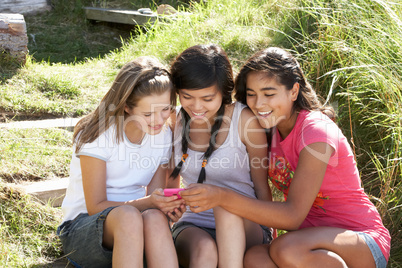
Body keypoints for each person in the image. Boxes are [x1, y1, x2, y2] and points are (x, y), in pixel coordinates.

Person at [179, 47, 391, 268]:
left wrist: (222, 197)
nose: (259, 104)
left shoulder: (316, 132)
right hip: (307, 241)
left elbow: (292, 216)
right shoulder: (269, 130)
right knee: (254, 258)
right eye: (252, 94)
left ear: (293, 91)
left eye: (269, 94)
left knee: (286, 248)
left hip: (360, 239)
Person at [57, 56, 185, 268]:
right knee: (128, 216)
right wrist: (150, 202)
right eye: (148, 113)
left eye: (165, 109)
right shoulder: (99, 136)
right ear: (127, 107)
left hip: (136, 230)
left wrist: (166, 207)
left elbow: (154, 196)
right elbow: (95, 206)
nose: (159, 120)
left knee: (154, 217)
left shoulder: (162, 135)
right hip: (84, 231)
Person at [168, 44, 273, 268]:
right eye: (187, 97)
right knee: (205, 251)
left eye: (207, 98)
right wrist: (172, 208)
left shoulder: (244, 121)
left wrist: (269, 233)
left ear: (223, 92)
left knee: (226, 208)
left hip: (246, 221)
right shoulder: (174, 121)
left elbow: (262, 186)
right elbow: (171, 182)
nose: (196, 106)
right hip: (194, 223)